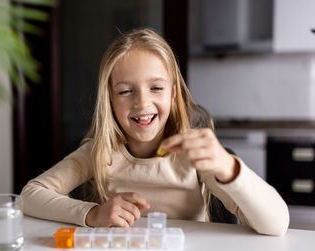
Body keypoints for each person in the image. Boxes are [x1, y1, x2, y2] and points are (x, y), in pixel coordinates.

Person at [21, 28, 289, 236]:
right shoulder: (99, 151)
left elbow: (276, 224)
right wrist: (92, 214)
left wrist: (228, 166)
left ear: (174, 93)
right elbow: (30, 196)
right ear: (110, 100)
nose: (142, 103)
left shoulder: (193, 154)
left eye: (156, 88)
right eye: (126, 91)